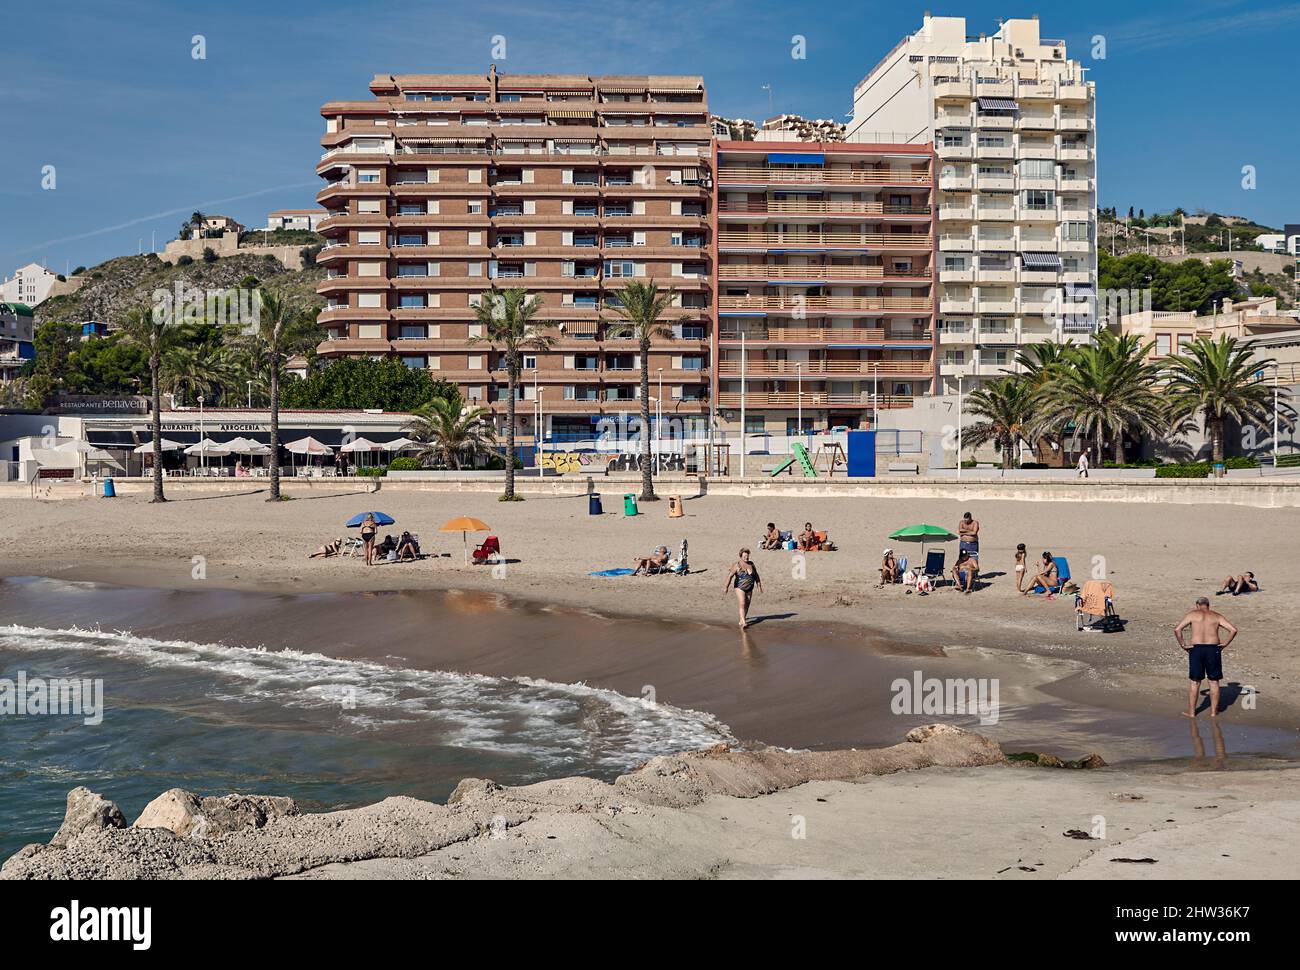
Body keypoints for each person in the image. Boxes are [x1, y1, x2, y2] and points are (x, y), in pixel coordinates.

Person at [1174, 597, 1238, 718]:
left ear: (1197, 605)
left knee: (1195, 682)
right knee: (1213, 682)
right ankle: (1214, 712)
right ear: (1208, 605)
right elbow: (1233, 630)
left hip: (1196, 649)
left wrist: (1183, 645)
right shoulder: (1216, 616)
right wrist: (1225, 643)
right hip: (1213, 649)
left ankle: (1192, 713)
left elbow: (1177, 629)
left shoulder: (1192, 615)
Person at [725, 548, 763, 629]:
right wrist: (726, 587)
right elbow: (730, 576)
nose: (746, 558)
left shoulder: (751, 564)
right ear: (741, 556)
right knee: (742, 602)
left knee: (747, 603)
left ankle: (742, 619)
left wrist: (759, 586)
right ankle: (744, 622)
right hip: (739, 586)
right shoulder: (736, 565)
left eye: (747, 556)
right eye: (745, 556)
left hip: (750, 587)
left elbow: (756, 575)